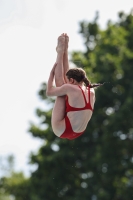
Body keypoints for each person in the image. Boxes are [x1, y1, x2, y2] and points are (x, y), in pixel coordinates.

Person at [46, 33, 103, 140]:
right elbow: (68, 83)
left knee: (61, 91)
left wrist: (51, 74)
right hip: (78, 131)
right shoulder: (91, 90)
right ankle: (64, 50)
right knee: (64, 88)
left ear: (72, 80)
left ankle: (61, 52)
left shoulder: (70, 88)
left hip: (63, 129)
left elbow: (49, 92)